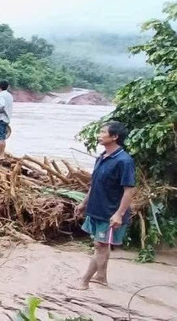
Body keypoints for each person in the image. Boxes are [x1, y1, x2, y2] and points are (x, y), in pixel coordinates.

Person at [71, 121, 136, 290]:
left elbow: (129, 190)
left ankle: (84, 281)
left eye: (103, 132)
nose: (99, 135)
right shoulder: (102, 157)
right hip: (97, 209)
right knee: (100, 244)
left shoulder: (124, 161)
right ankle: (101, 277)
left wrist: (119, 214)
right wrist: (84, 203)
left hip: (110, 212)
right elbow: (95, 184)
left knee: (100, 246)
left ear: (115, 137)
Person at [0, 80, 13, 157]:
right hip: (6, 119)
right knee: (3, 138)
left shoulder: (1, 95)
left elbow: (2, 105)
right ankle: (2, 155)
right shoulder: (10, 95)